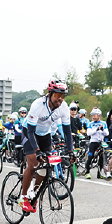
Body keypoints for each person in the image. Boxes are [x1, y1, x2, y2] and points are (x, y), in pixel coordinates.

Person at [19, 80, 73, 213]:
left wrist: (71, 151)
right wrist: (37, 151)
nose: (60, 99)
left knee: (46, 164)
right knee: (33, 164)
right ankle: (23, 197)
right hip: (30, 133)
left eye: (62, 96)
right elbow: (31, 132)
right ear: (50, 94)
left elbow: (67, 131)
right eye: (57, 95)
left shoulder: (64, 107)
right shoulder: (38, 104)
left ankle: (35, 193)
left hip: (45, 135)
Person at [83, 108, 109, 179]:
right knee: (90, 157)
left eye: (95, 115)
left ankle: (99, 173)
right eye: (92, 115)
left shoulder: (103, 123)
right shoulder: (90, 124)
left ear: (99, 115)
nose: (93, 117)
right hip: (93, 142)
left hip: (101, 142)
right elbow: (88, 133)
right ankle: (87, 172)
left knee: (101, 158)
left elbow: (107, 133)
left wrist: (102, 129)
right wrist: (97, 129)